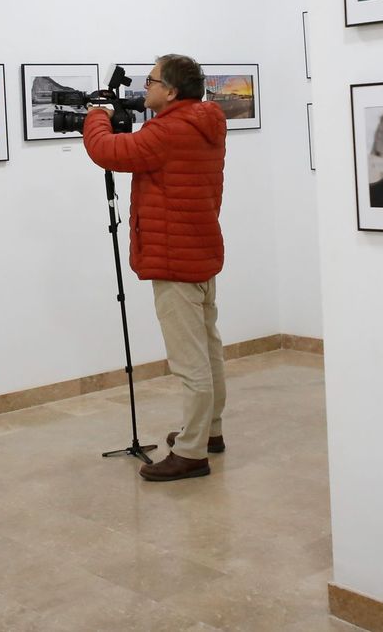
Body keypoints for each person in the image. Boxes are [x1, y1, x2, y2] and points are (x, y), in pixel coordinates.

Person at [83, 54, 228, 482]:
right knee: (208, 349)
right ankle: (209, 431)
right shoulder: (207, 123)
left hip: (174, 259)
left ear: (172, 91)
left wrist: (97, 114)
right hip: (200, 253)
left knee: (189, 362)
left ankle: (191, 453)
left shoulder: (167, 131)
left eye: (151, 81)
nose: (144, 87)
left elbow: (107, 150)